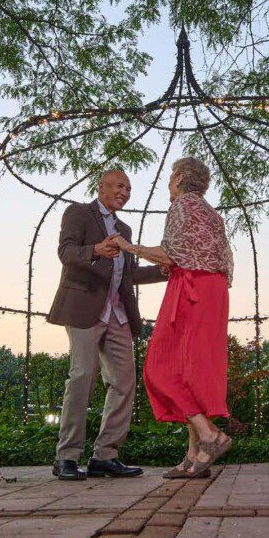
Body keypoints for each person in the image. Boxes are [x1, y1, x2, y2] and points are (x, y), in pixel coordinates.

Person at [112, 156, 234, 479]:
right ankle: (194, 457)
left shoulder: (182, 206)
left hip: (191, 288)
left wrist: (127, 246)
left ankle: (211, 436)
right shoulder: (212, 214)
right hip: (216, 293)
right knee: (193, 373)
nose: (169, 184)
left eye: (170, 178)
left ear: (179, 177)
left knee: (159, 368)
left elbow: (169, 255)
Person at [47, 169, 168, 480]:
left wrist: (163, 271)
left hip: (118, 315)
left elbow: (130, 275)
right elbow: (65, 252)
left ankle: (105, 456)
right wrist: (96, 251)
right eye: (118, 186)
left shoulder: (124, 227)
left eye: (128, 188)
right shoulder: (79, 213)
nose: (124, 192)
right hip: (84, 309)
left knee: (125, 382)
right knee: (82, 376)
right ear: (100, 188)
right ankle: (68, 457)